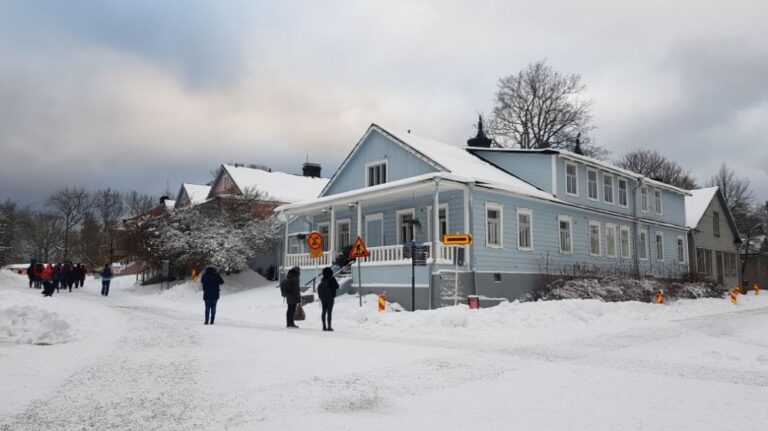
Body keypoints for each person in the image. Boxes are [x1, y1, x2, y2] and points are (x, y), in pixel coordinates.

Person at [317, 267, 339, 331]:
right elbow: (337, 286)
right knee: (329, 312)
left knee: (323, 311)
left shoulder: (322, 279)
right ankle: (329, 326)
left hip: (323, 298)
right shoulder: (332, 279)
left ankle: (324, 326)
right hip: (330, 297)